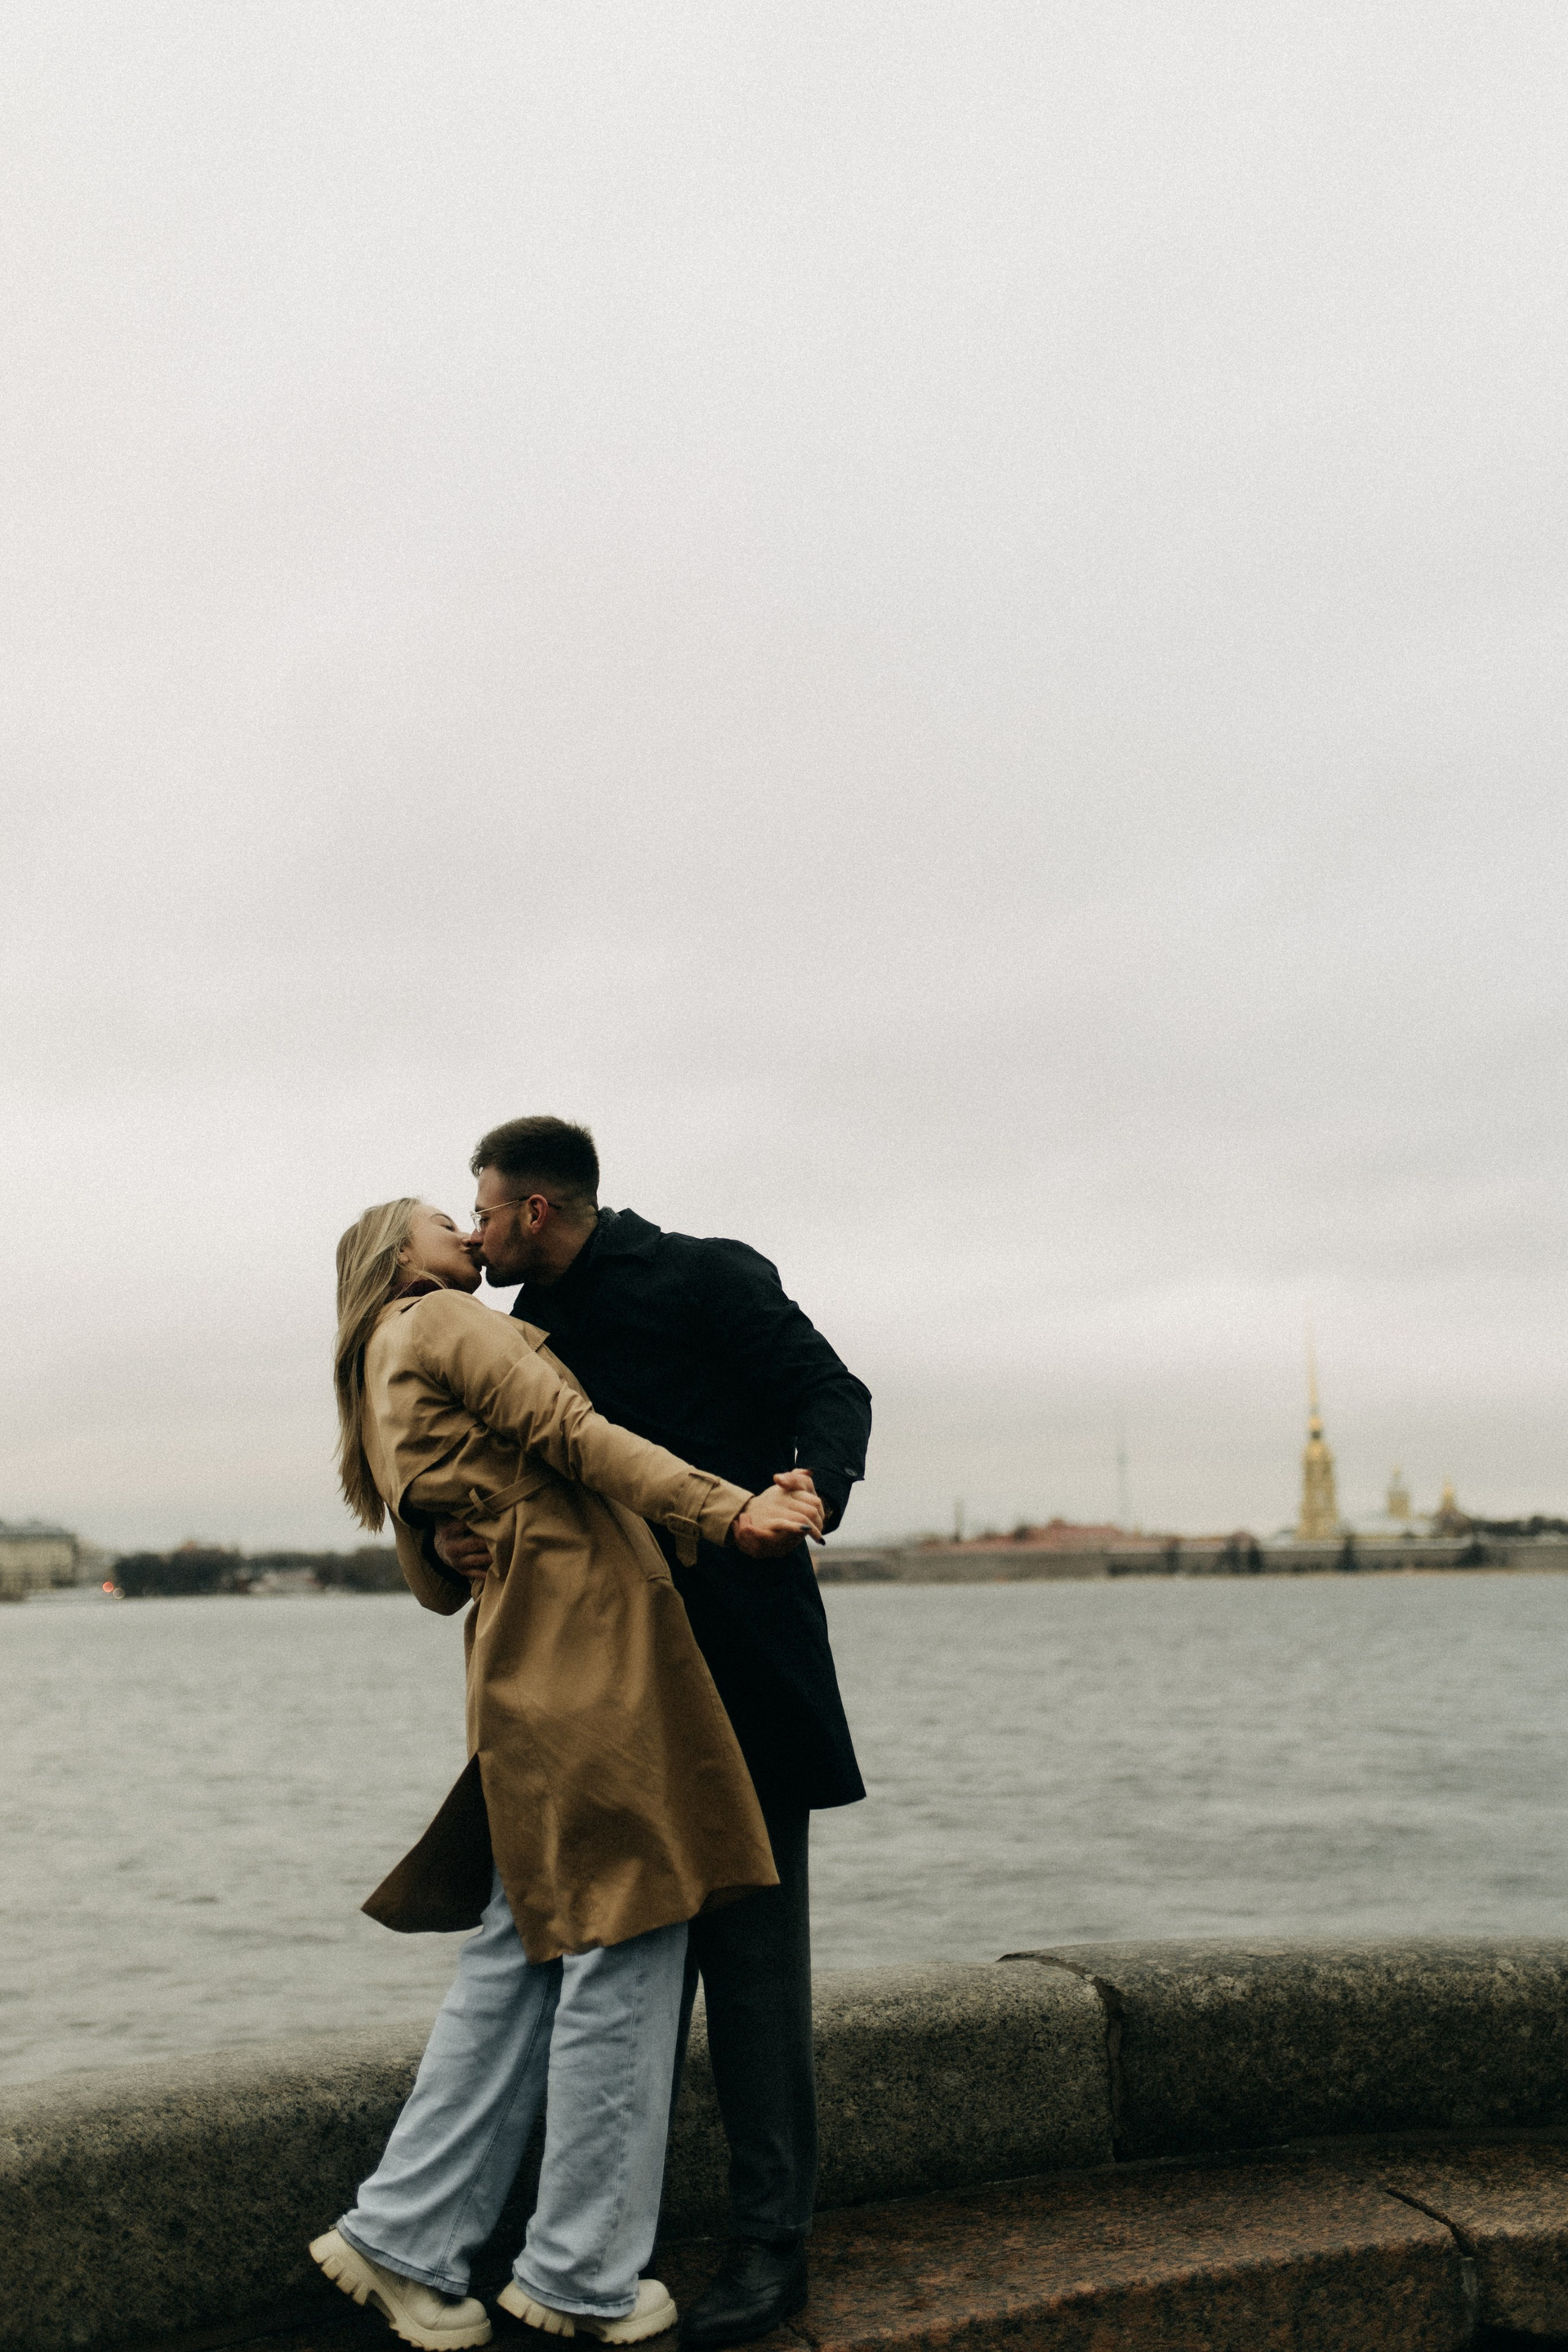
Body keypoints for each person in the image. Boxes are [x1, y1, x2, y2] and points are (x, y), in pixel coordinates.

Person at [312, 1198, 822, 2352]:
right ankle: (579, 2272)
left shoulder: (376, 1364)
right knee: (626, 1944)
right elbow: (579, 1436)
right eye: (445, 1220)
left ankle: (403, 2234)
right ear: (399, 1255)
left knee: (525, 1949)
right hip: (587, 1650)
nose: (466, 1234)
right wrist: (731, 1510)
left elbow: (436, 1571)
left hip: (521, 1656)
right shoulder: (441, 1319)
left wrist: (456, 1534)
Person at [420, 1120, 872, 2350]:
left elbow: (832, 1392)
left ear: (537, 1211)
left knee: (756, 1974)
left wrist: (815, 1485)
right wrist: (447, 1537)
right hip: (604, 1689)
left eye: (483, 1206)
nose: (473, 1229)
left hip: (741, 1669)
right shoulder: (516, 1331)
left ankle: (772, 2248)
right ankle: (600, 2252)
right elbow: (500, 1487)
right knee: (617, 1974)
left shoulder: (705, 1274)